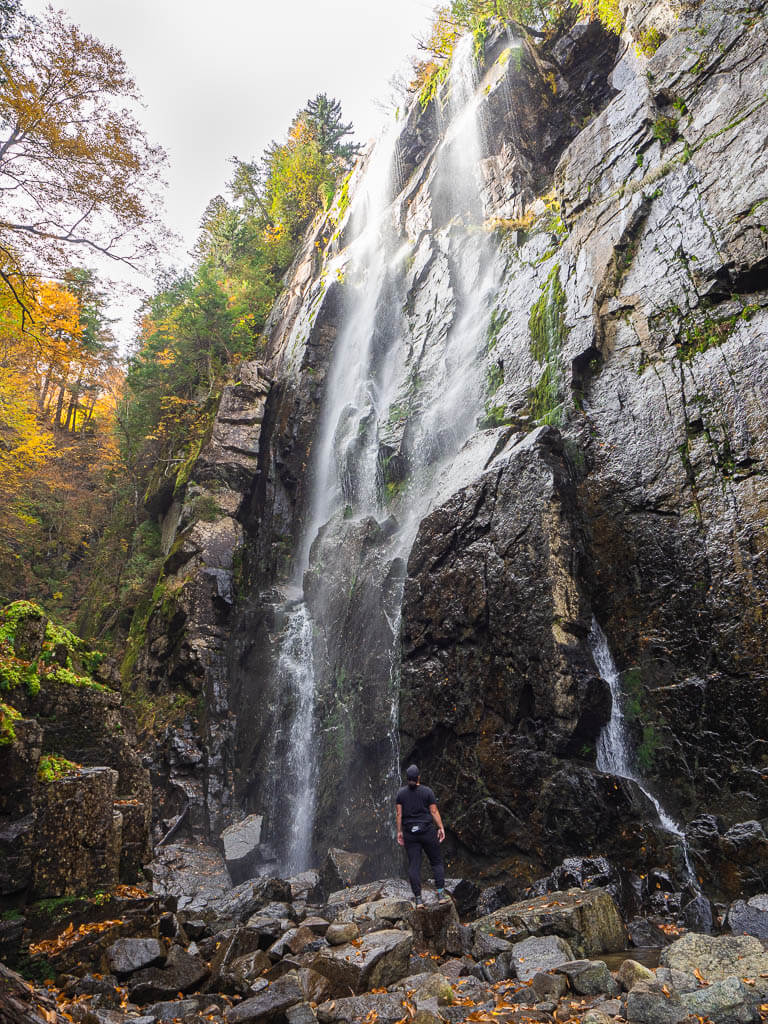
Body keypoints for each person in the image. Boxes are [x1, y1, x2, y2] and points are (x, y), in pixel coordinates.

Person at [396, 763, 449, 907]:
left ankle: (418, 899)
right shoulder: (427, 792)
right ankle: (440, 894)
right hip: (427, 832)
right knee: (436, 862)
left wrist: (400, 832)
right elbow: (433, 812)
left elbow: (399, 814)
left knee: (414, 866)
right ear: (418, 777)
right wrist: (441, 827)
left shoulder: (401, 793)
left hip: (410, 834)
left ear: (407, 778)